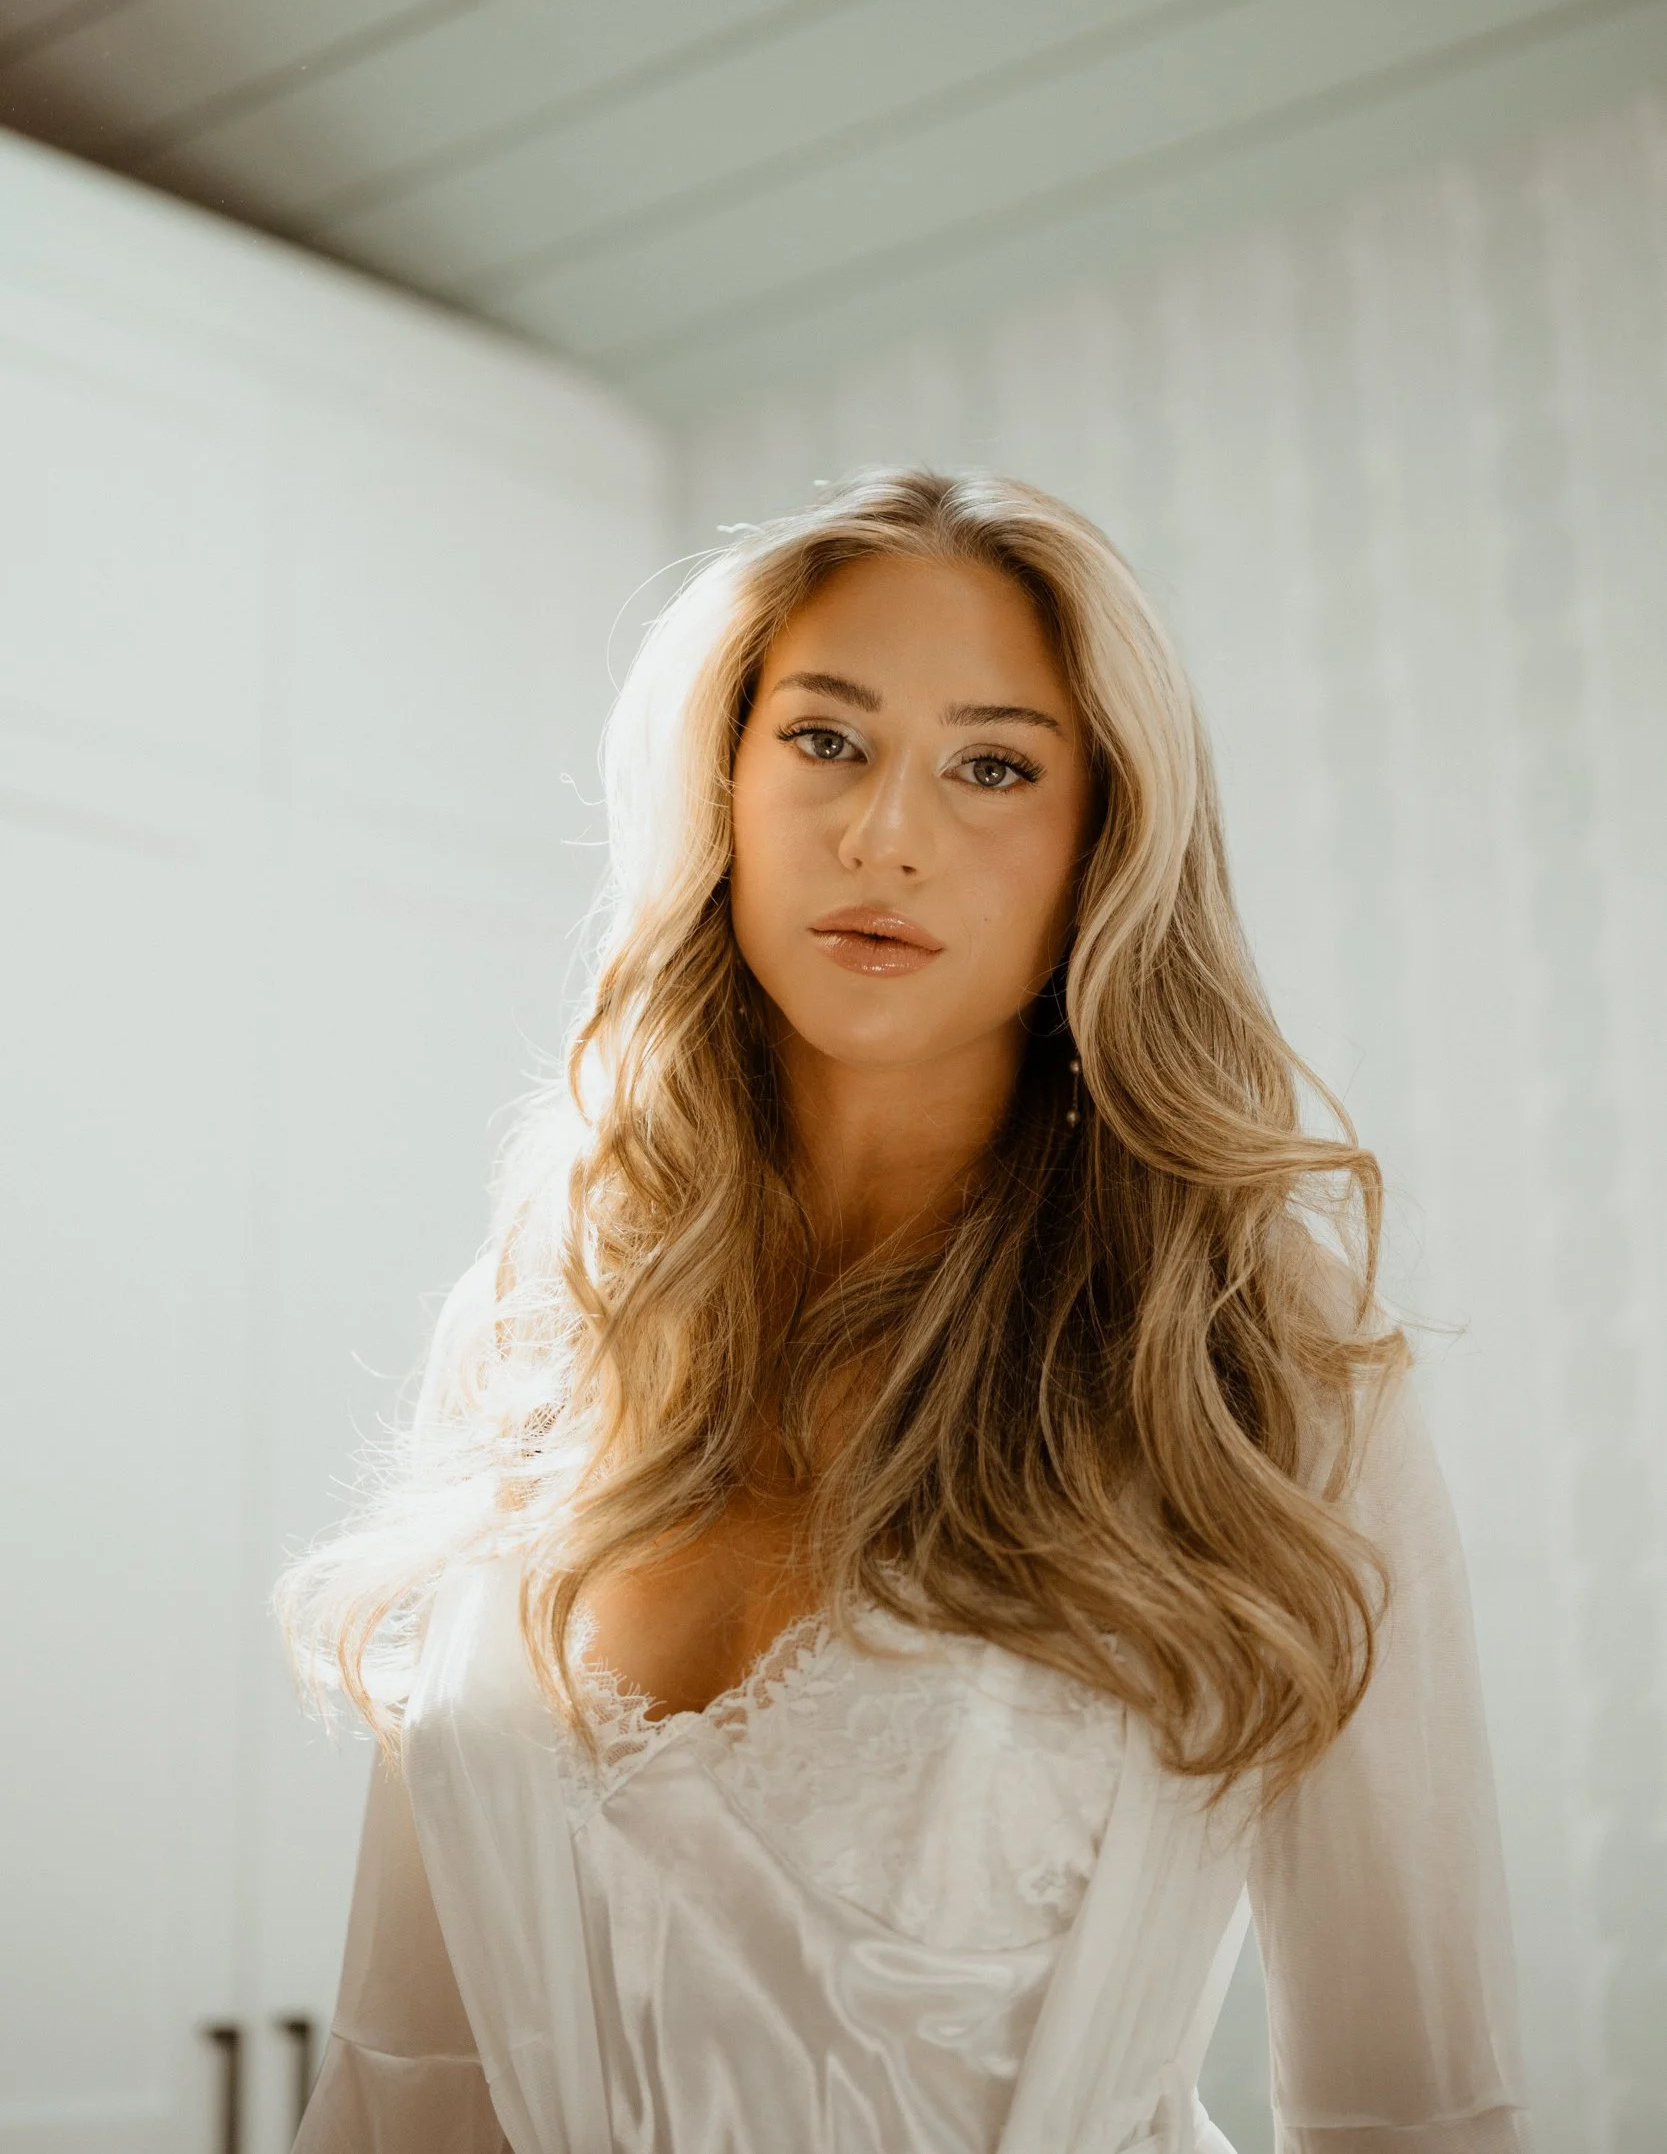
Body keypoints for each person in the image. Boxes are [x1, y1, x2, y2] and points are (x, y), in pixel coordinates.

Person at [281, 469, 1531, 2154]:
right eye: (824, 739)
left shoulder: (1245, 1358)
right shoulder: (534, 1322)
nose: (885, 835)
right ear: (718, 779)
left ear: (1105, 845)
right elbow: (405, 2080)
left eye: (994, 767)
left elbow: (1410, 2111)